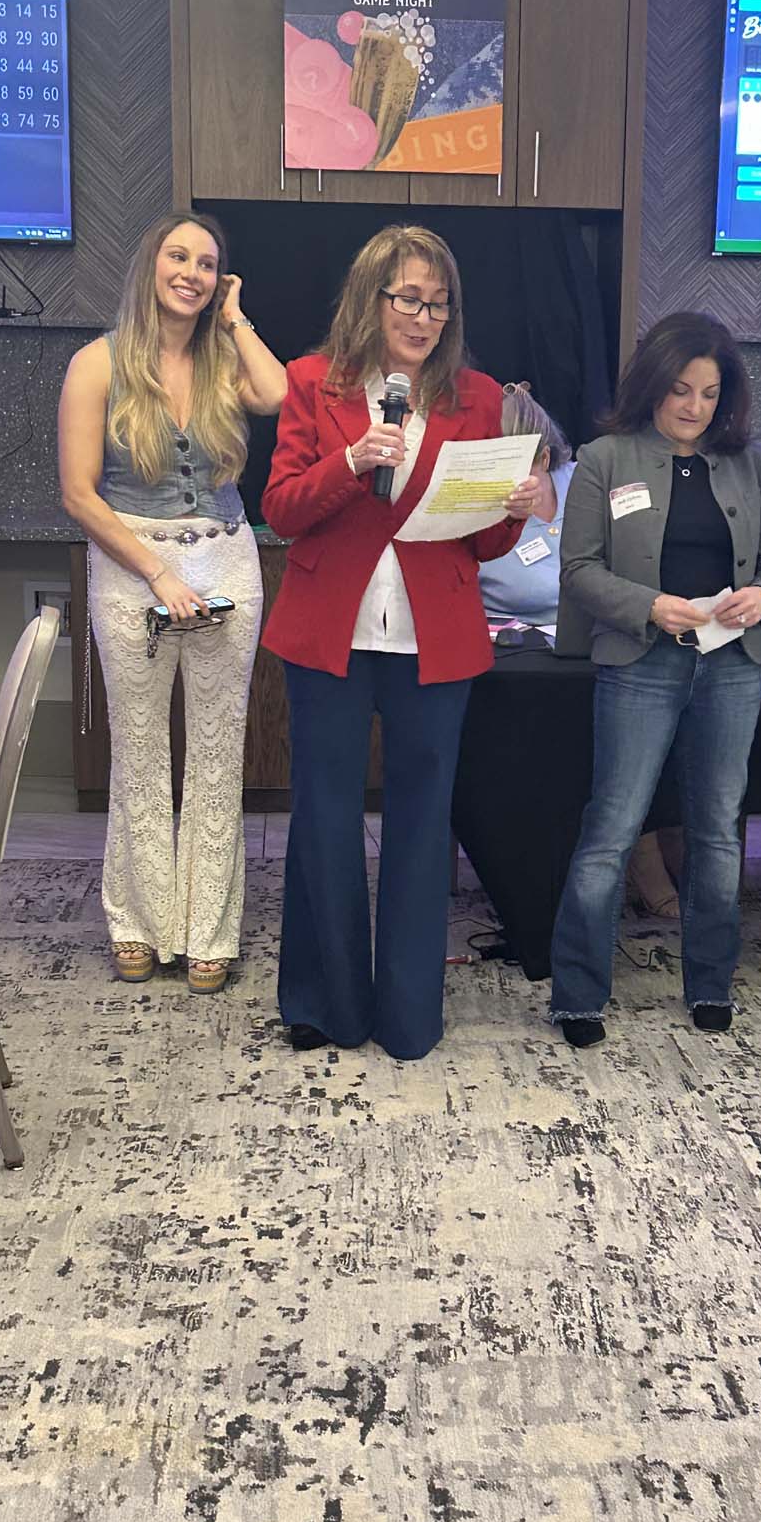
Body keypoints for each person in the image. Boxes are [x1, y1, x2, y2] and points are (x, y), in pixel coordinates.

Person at [261, 225, 541, 1062]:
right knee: (325, 819)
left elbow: (484, 545)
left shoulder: (478, 397)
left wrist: (514, 508)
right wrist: (350, 461)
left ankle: (411, 1014)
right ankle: (325, 1005)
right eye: (409, 300)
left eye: (438, 304)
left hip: (435, 638)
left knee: (422, 827)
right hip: (330, 633)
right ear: (371, 298)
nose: (424, 319)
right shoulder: (312, 382)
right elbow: (281, 509)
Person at [548, 311, 761, 1047]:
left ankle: (711, 983)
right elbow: (579, 570)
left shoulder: (752, 463)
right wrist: (650, 606)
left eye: (711, 394)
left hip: (732, 665)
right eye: (682, 390)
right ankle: (578, 994)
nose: (695, 407)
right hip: (641, 662)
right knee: (612, 830)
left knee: (717, 831)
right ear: (654, 384)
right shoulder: (604, 458)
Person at [59, 211, 287, 992]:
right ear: (150, 266)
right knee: (141, 749)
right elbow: (79, 495)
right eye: (178, 256)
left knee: (219, 754)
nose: (191, 272)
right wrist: (157, 573)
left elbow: (276, 392)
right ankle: (138, 922)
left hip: (226, 556)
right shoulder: (96, 364)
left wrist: (236, 316)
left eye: (207, 263)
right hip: (133, 563)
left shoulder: (223, 360)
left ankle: (207, 931)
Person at [478, 381, 575, 627]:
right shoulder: (474, 513)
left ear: (545, 458)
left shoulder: (584, 481)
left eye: (519, 467)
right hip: (516, 643)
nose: (508, 480)